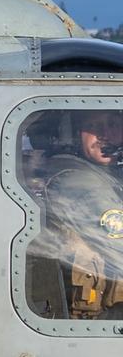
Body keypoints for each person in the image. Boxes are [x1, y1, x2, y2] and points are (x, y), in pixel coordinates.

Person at [32, 109, 123, 320]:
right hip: (98, 317)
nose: (105, 134)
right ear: (73, 133)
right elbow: (118, 241)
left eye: (113, 124)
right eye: (93, 126)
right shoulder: (78, 181)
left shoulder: (104, 174)